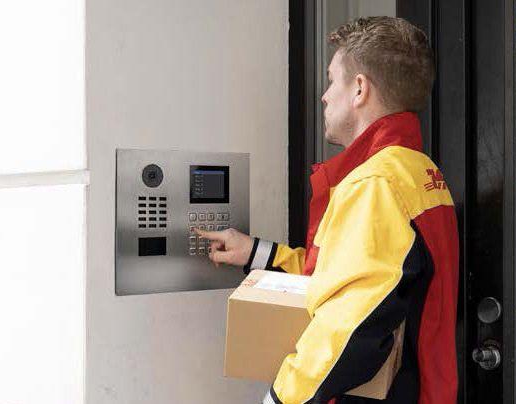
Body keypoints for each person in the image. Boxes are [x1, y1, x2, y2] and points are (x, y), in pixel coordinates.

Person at [195, 16, 459, 404]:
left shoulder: (376, 183)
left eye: (333, 80)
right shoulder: (416, 172)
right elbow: (343, 278)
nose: (324, 95)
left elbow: (349, 324)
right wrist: (255, 253)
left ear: (359, 89)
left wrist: (282, 398)